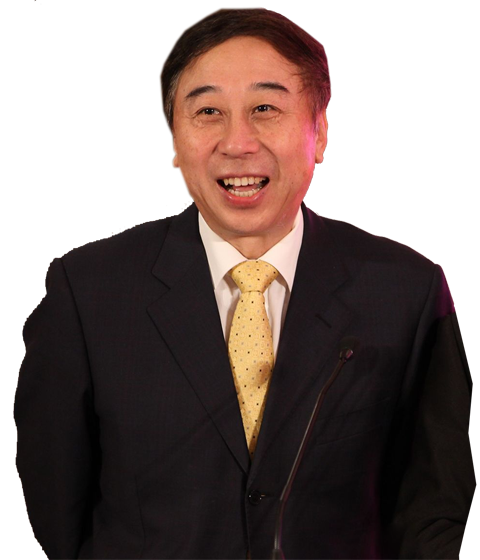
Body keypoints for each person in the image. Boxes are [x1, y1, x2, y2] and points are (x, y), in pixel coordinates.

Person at [14, 8, 474, 560]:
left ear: (320, 133)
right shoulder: (88, 291)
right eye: (208, 111)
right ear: (175, 140)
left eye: (265, 109)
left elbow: (432, 510)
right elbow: (57, 509)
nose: (238, 142)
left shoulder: (404, 292)